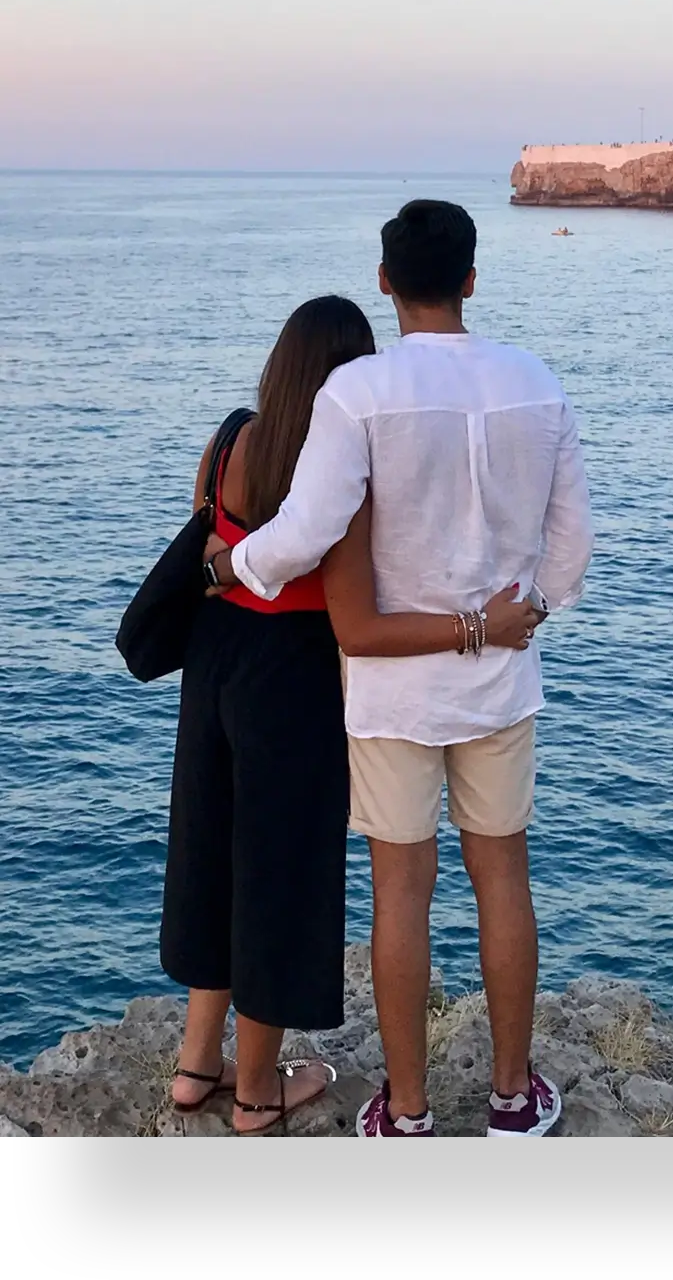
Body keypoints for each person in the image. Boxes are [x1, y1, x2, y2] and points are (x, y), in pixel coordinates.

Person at [203, 201, 594, 1139]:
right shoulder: (537, 385)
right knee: (505, 879)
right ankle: (510, 1096)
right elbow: (572, 552)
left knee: (399, 895)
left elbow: (305, 530)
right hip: (499, 684)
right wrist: (516, 618)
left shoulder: (357, 394)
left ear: (384, 281)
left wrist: (231, 566)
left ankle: (407, 1109)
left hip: (390, 694)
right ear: (470, 277)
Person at [164, 296, 537, 1134]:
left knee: (213, 859)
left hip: (213, 665)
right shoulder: (339, 464)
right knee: (277, 879)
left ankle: (196, 1065)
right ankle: (257, 1091)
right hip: (290, 681)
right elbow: (348, 608)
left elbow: (204, 542)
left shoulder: (230, 438)